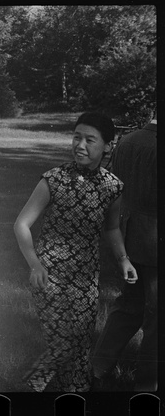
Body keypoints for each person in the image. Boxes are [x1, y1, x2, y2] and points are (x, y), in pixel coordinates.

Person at [14, 111, 138, 393]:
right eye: (76, 137)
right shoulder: (54, 180)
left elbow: (111, 230)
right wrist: (35, 264)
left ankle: (77, 396)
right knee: (62, 344)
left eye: (89, 140)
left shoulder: (112, 187)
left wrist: (123, 260)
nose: (80, 145)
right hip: (49, 274)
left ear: (108, 145)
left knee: (81, 344)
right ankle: (29, 388)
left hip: (85, 279)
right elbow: (21, 223)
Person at [91, 113, 157, 392]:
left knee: (129, 305)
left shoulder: (128, 141)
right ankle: (147, 384)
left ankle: (96, 368)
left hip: (128, 234)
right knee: (157, 315)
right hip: (154, 239)